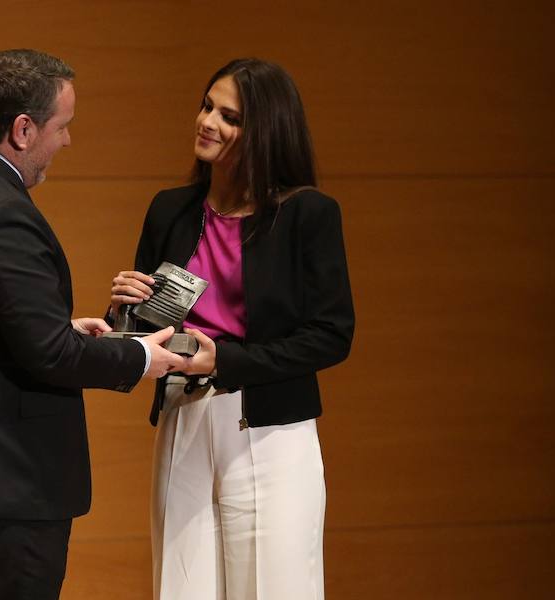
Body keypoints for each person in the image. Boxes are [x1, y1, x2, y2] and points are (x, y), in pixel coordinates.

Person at [0, 49, 183, 600]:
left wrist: (60, 326)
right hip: (2, 486)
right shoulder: (5, 211)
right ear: (23, 129)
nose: (66, 141)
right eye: (62, 126)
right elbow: (51, 357)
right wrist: (141, 357)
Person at [109, 58, 355, 599]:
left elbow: (332, 335)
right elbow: (147, 328)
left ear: (265, 132)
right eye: (206, 106)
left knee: (273, 589)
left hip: (269, 428)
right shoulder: (169, 209)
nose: (207, 122)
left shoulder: (308, 214)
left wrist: (225, 360)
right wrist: (123, 313)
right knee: (182, 587)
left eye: (229, 116)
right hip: (183, 415)